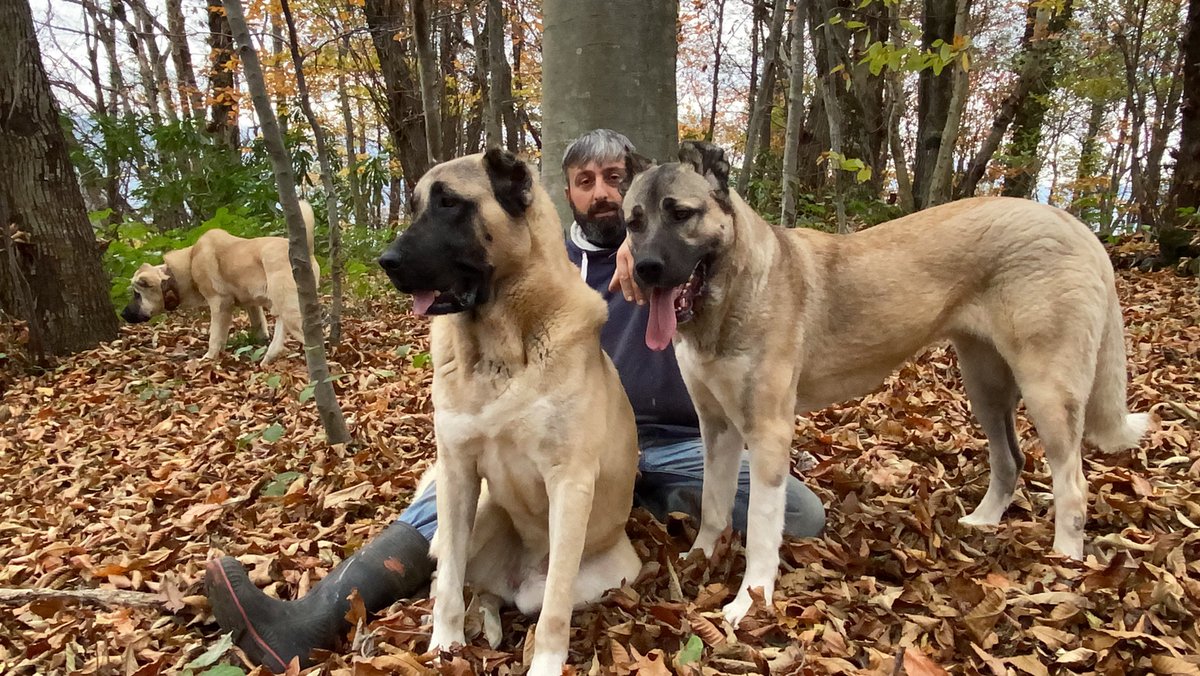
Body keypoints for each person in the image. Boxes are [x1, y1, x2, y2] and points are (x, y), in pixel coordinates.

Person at [204, 130, 825, 672]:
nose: (602, 192)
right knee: (449, 487)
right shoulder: (550, 261)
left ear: (637, 187)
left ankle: (656, 510)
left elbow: (751, 283)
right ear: (567, 196)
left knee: (801, 514)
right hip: (563, 445)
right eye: (585, 182)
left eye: (615, 179)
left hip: (673, 443)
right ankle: (319, 612)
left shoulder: (690, 251)